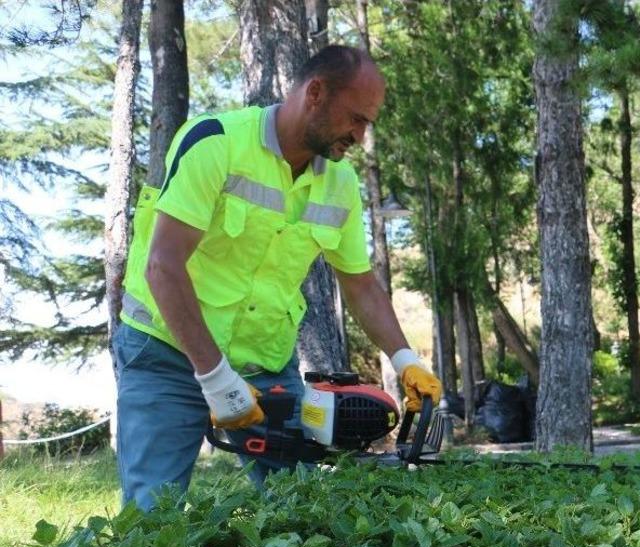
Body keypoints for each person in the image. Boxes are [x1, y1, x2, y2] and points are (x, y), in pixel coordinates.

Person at [114, 45, 441, 510]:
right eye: (356, 118)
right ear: (315, 93)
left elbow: (360, 284)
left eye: (368, 123)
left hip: (267, 365)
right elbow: (163, 265)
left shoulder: (340, 183)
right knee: (151, 519)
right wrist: (214, 376)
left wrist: (405, 358)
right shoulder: (216, 143)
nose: (361, 136)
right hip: (168, 354)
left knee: (300, 513)